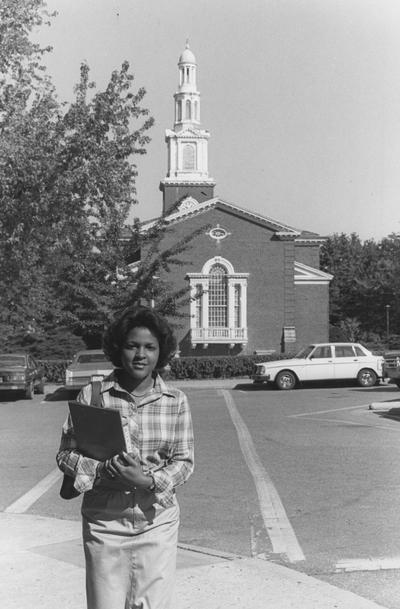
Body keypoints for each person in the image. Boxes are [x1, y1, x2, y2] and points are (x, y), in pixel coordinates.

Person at [57, 306, 194, 609]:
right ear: (119, 348)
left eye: (150, 347)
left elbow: (184, 462)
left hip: (157, 520)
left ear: (162, 352)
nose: (140, 354)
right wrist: (102, 470)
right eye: (132, 345)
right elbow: (66, 454)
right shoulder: (93, 396)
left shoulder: (176, 401)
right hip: (104, 523)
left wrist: (147, 480)